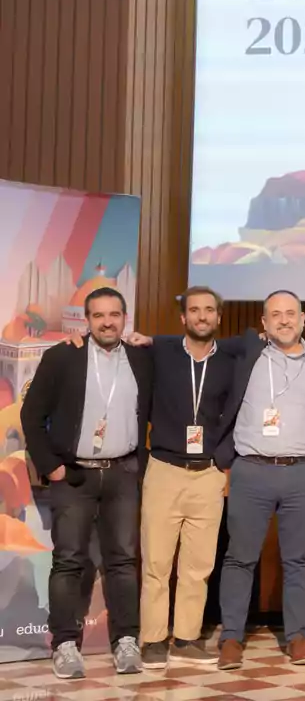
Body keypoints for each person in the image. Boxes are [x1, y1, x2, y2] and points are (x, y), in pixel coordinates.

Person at [21, 287, 152, 679]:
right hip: (73, 475)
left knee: (123, 562)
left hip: (123, 472)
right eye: (99, 316)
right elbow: (31, 416)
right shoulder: (62, 356)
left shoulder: (142, 359)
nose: (108, 322)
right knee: (69, 561)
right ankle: (64, 645)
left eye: (115, 314)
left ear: (125, 319)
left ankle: (126, 641)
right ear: (88, 320)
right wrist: (52, 467)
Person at [216, 290, 305, 670]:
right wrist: (146, 340)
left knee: (299, 559)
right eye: (275, 315)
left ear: (303, 320)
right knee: (239, 558)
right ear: (263, 323)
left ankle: (298, 636)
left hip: (304, 471)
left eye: (290, 314)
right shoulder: (248, 353)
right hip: (252, 470)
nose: (284, 320)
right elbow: (195, 340)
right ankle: (231, 637)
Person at [136, 287, 235, 669]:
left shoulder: (229, 358)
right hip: (164, 470)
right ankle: (153, 640)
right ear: (183, 318)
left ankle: (187, 638)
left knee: (198, 565)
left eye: (209, 310)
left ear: (218, 317)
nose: (202, 316)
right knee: (157, 563)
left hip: (207, 473)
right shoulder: (159, 351)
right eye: (194, 310)